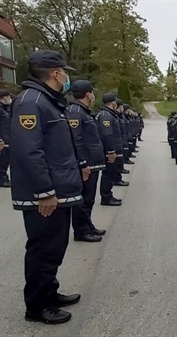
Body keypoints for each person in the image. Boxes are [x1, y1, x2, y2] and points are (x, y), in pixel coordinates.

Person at [9, 49, 84, 324]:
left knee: (54, 247)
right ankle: (37, 306)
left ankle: (49, 293)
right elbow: (29, 152)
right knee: (42, 249)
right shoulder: (31, 102)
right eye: (64, 72)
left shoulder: (48, 100)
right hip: (45, 194)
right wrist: (45, 192)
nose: (66, 77)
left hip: (57, 189)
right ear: (55, 73)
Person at [67, 80, 107, 242]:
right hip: (86, 164)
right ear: (88, 94)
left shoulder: (83, 111)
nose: (93, 95)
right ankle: (81, 231)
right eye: (92, 92)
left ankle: (87, 225)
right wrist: (82, 163)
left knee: (89, 198)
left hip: (92, 162)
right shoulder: (76, 111)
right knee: (83, 199)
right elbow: (76, 140)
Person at [96, 93, 125, 206]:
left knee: (110, 173)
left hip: (110, 149)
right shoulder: (106, 115)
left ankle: (108, 195)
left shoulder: (107, 114)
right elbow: (107, 134)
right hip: (109, 151)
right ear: (113, 103)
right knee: (108, 174)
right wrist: (111, 151)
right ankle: (106, 197)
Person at [0, 89, 11, 187]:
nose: (10, 98)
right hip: (2, 141)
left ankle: (4, 178)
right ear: (3, 98)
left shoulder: (6, 109)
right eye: (8, 97)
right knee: (2, 162)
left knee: (5, 161)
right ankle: (2, 180)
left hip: (7, 140)